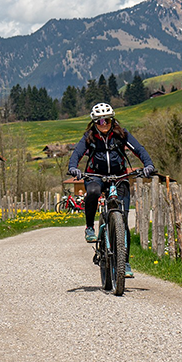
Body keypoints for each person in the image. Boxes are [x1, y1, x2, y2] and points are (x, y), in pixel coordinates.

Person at [67, 102, 155, 279]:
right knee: (92, 192)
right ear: (94, 123)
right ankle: (90, 227)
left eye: (107, 120)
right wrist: (73, 167)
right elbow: (76, 154)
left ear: (112, 120)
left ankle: (125, 262)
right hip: (96, 176)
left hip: (119, 177)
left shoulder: (122, 135)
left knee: (122, 219)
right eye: (99, 121)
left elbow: (139, 150)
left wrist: (149, 165)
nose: (104, 124)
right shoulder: (89, 137)